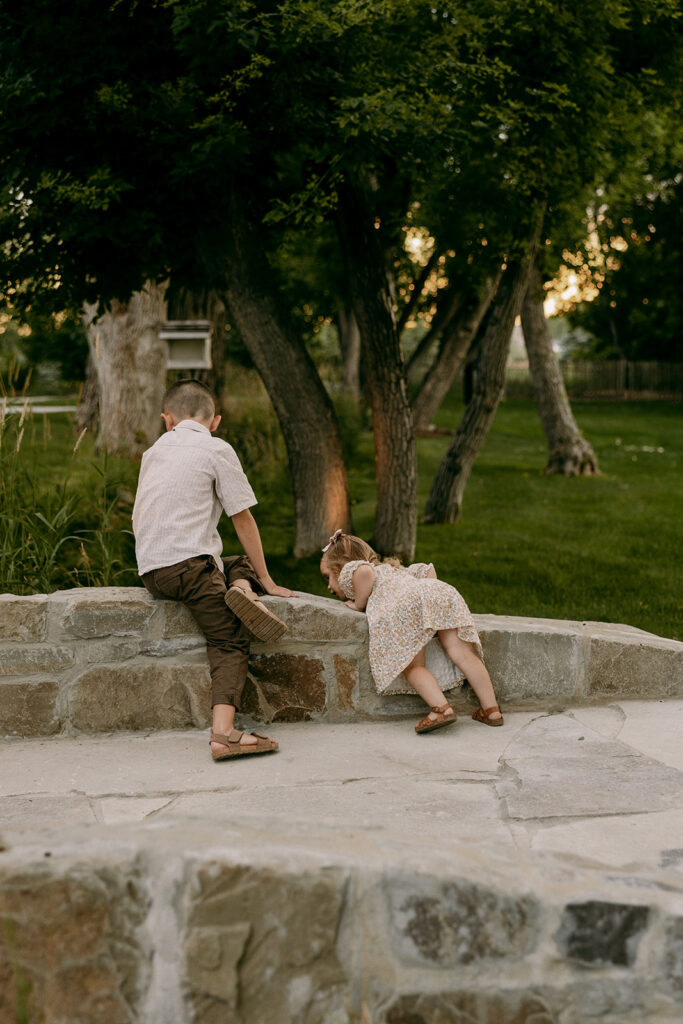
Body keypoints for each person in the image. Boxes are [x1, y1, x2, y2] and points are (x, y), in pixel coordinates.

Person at [132, 378, 294, 762]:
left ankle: (239, 587)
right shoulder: (216, 448)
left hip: (152, 570)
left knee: (234, 562)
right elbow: (242, 518)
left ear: (166, 419)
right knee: (230, 639)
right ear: (215, 420)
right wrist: (269, 579)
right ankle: (224, 735)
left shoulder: (153, 452)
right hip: (190, 567)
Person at [320, 530, 503, 733]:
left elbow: (364, 573)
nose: (329, 586)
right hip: (439, 591)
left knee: (413, 667)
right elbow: (426, 572)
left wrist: (358, 603)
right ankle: (491, 710)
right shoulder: (394, 570)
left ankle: (441, 709)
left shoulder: (356, 569)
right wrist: (428, 607)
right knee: (463, 654)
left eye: (328, 576)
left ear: (342, 565)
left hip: (408, 603)